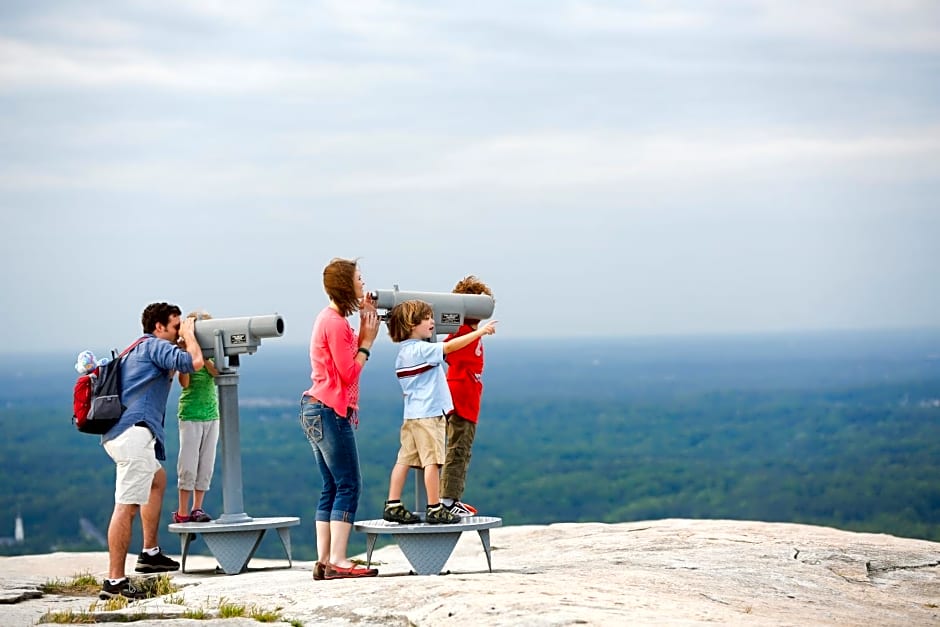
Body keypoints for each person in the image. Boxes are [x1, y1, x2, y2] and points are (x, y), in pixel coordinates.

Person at [99, 302, 205, 600]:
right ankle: (115, 583)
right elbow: (195, 364)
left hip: (122, 434)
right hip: (133, 436)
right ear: (159, 327)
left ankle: (150, 552)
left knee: (157, 480)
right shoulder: (156, 346)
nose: (178, 331)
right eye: (175, 326)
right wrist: (191, 337)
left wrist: (182, 337)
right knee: (126, 506)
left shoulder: (139, 348)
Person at [300, 257, 380, 581]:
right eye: (359, 279)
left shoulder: (329, 318)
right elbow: (348, 373)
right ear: (347, 285)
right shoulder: (333, 322)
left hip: (314, 407)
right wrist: (368, 344)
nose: (363, 283)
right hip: (329, 410)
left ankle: (324, 561)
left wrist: (364, 324)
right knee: (349, 484)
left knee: (330, 486)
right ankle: (339, 560)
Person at [382, 300, 497, 525]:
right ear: (412, 324)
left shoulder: (403, 353)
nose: (433, 322)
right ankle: (435, 507)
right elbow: (449, 348)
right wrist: (480, 332)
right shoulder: (421, 350)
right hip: (429, 415)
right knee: (432, 462)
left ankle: (392, 503)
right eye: (427, 318)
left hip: (412, 415)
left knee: (404, 460)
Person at [440, 276, 495, 517]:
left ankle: (448, 498)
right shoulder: (461, 332)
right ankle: (449, 501)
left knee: (457, 448)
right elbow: (448, 350)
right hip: (461, 399)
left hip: (464, 396)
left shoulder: (468, 332)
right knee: (458, 449)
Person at [173, 310, 220, 524]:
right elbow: (184, 383)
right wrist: (187, 354)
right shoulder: (184, 354)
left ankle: (197, 508)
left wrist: (205, 355)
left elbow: (217, 373)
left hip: (211, 414)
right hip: (191, 413)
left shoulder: (212, 354)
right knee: (188, 463)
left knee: (206, 464)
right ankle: (183, 511)